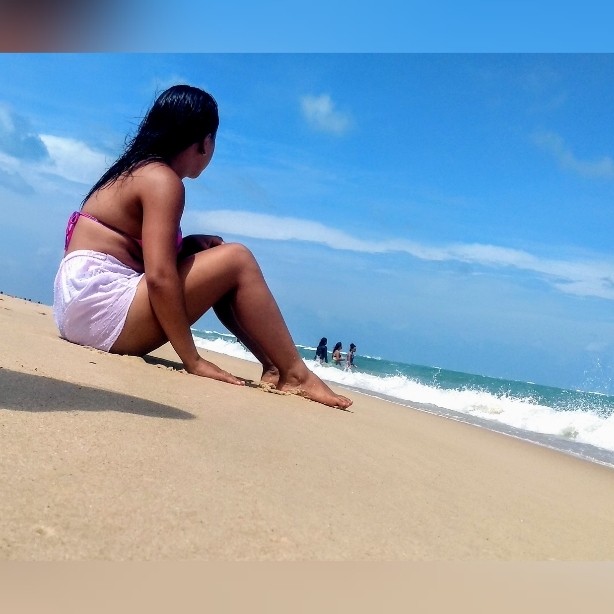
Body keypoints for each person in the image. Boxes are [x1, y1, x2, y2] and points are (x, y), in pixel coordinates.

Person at [53, 84, 352, 410]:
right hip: (102, 315)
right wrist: (192, 360)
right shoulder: (162, 180)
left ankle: (274, 367)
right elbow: (159, 278)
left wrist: (188, 245)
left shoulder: (132, 171)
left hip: (77, 311)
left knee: (217, 258)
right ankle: (296, 374)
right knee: (238, 258)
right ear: (205, 142)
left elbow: (128, 252)